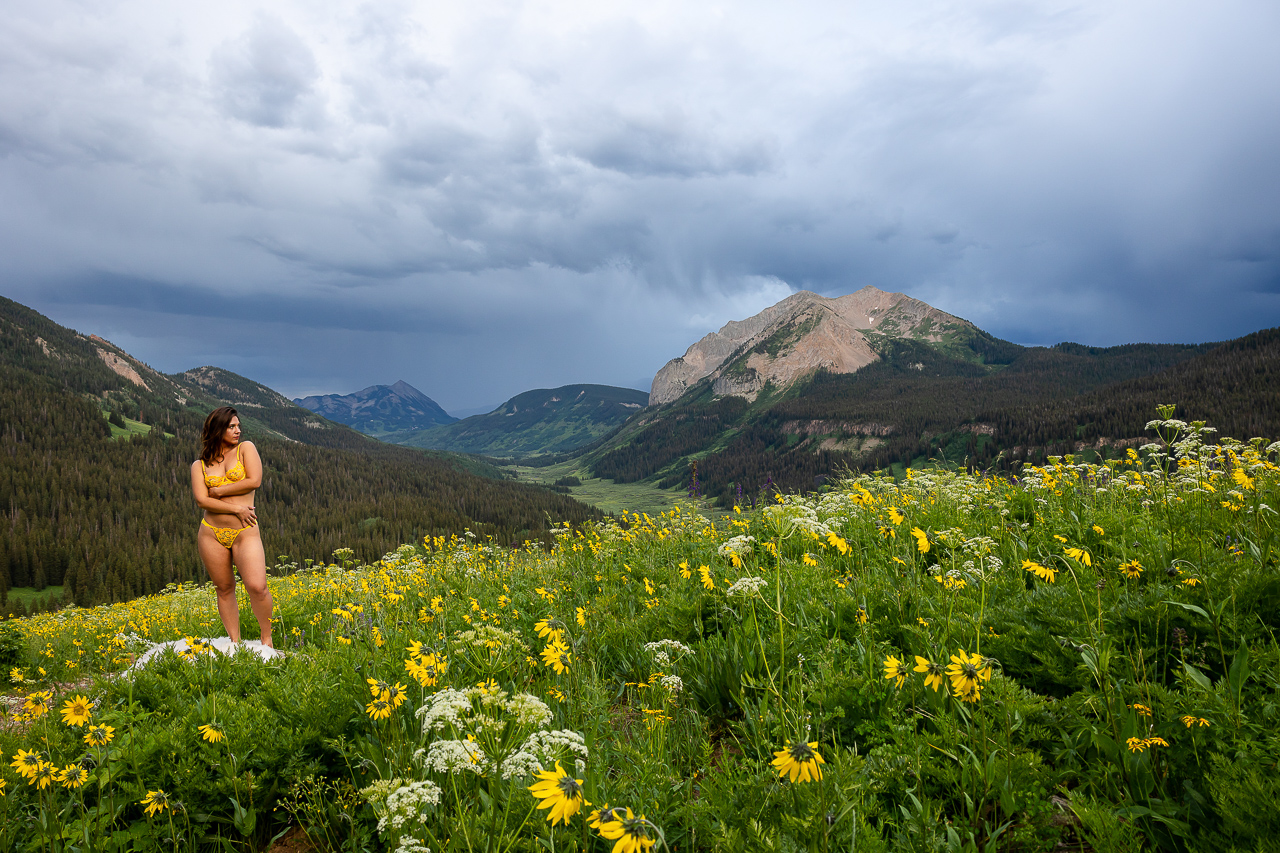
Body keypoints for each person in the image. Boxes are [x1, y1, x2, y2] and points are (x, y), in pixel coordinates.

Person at [190, 407, 273, 647]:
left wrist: (221, 491)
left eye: (238, 426)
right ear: (218, 429)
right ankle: (234, 643)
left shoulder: (246, 449)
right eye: (232, 426)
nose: (238, 430)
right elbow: (202, 500)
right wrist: (236, 509)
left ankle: (266, 638)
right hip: (211, 533)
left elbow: (254, 480)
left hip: (245, 532)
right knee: (224, 588)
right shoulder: (199, 465)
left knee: (257, 586)